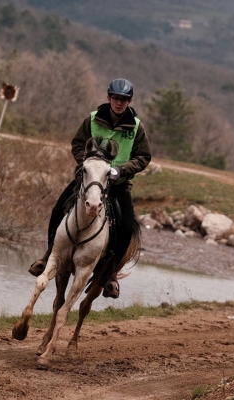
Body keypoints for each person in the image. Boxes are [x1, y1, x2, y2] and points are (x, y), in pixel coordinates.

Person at [28, 78, 152, 297]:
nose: (119, 103)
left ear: (129, 101)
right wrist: (85, 164)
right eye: (116, 98)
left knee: (125, 228)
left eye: (124, 100)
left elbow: (144, 156)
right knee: (58, 210)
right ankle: (47, 257)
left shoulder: (136, 127)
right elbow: (77, 144)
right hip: (89, 181)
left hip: (118, 185)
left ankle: (111, 275)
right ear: (109, 98)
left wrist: (122, 170)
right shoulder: (92, 120)